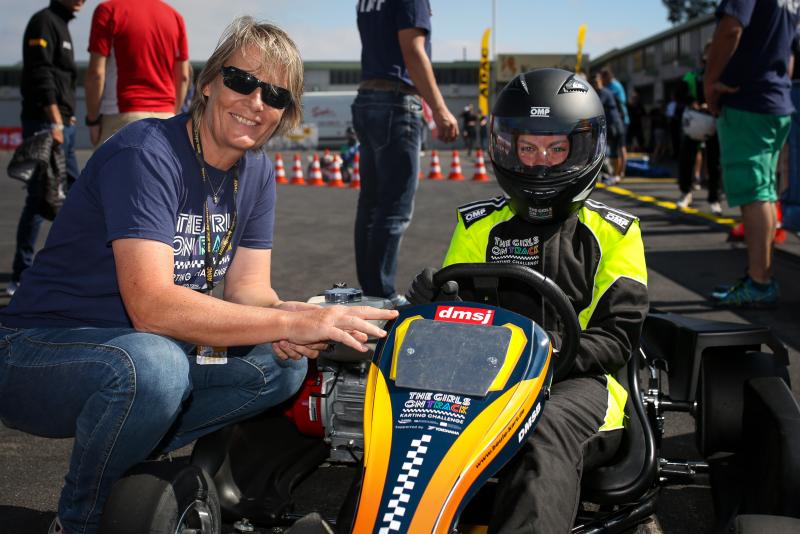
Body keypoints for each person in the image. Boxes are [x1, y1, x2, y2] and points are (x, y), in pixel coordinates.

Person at [0, 17, 398, 534]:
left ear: (284, 112)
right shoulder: (146, 153)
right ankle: (81, 521)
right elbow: (152, 308)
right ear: (207, 83)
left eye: (275, 94)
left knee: (281, 367)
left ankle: (125, 455)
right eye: (242, 80)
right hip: (38, 352)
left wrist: (305, 317)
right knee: (157, 368)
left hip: (142, 351)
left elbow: (249, 291)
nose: (256, 101)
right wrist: (289, 323)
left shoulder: (256, 171)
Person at [407, 68, 648, 533]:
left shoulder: (615, 234)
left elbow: (617, 338)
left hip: (580, 383)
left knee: (542, 428)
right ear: (506, 148)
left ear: (582, 149)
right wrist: (431, 302)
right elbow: (453, 321)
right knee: (415, 421)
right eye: (528, 149)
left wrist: (544, 352)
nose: (541, 165)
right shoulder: (479, 226)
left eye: (556, 149)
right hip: (484, 381)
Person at [352, 0, 458, 306]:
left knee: (371, 206)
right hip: (396, 102)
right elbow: (412, 50)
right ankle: (382, 295)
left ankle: (371, 291)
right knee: (394, 209)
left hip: (367, 97)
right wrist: (440, 110)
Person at [705, 0, 799, 307]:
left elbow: (729, 30)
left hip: (748, 102)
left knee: (755, 193)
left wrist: (710, 81)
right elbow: (790, 53)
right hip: (776, 101)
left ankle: (760, 281)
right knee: (765, 192)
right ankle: (762, 277)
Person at [7, 0, 83, 298]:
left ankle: (70, 268)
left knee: (78, 194)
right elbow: (41, 73)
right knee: (40, 200)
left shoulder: (62, 24)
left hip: (63, 124)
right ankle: (21, 273)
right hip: (46, 125)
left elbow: (62, 79)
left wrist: (67, 116)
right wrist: (54, 120)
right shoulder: (43, 22)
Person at [84, 0, 191, 147]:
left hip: (123, 117)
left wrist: (93, 121)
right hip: (166, 118)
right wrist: (173, 113)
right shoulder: (175, 17)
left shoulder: (108, 10)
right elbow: (183, 77)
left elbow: (96, 73)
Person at [675, 43, 723, 215]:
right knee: (686, 158)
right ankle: (686, 192)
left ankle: (714, 198)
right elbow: (679, 93)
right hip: (695, 122)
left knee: (714, 162)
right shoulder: (693, 75)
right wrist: (692, 102)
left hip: (715, 122)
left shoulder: (723, 74)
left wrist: (714, 106)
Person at [590, 71, 624, 185]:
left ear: (600, 81)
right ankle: (615, 175)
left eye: (596, 82)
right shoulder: (605, 92)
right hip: (614, 124)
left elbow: (596, 106)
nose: (595, 84)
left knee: (615, 151)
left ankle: (616, 175)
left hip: (614, 125)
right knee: (615, 151)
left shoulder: (603, 93)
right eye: (593, 82)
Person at [601, 67, 629, 181]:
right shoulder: (613, 85)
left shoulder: (612, 86)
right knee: (619, 147)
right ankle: (619, 172)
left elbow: (618, 102)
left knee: (620, 147)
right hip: (620, 119)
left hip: (620, 120)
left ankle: (620, 172)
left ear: (606, 77)